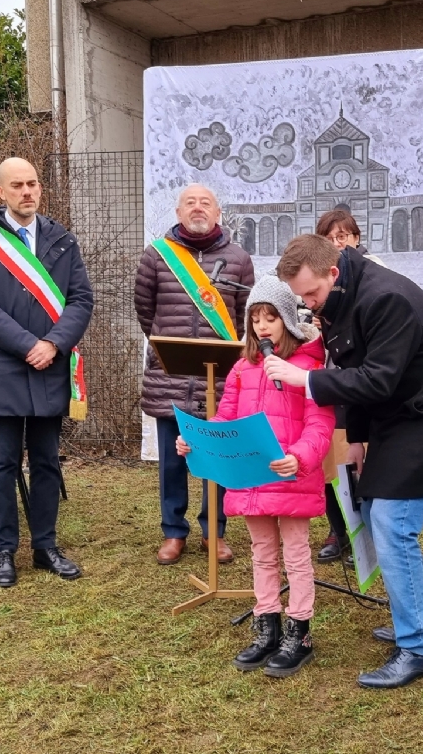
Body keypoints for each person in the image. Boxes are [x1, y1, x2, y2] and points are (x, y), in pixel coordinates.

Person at [264, 234, 423, 689]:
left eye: (311, 294)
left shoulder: (385, 298)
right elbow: (353, 363)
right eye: (300, 298)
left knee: (394, 523)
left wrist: (307, 379)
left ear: (332, 273)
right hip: (399, 411)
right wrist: (356, 438)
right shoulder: (339, 298)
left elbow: (376, 379)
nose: (308, 306)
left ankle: (418, 647)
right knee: (381, 515)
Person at [177, 275, 334, 677]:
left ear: (286, 319)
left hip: (290, 476)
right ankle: (267, 627)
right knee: (262, 554)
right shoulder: (242, 369)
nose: (262, 326)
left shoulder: (309, 368)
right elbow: (225, 418)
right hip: (250, 478)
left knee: (296, 557)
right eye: (256, 318)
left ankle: (299, 632)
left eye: (270, 317)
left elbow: (319, 426)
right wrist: (196, 440)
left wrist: (298, 458)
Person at [0, 156, 94, 589]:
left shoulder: (61, 240)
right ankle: (3, 551)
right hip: (2, 365)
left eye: (32, 183)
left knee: (48, 461)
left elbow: (80, 300)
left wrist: (52, 343)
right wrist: (27, 344)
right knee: (1, 462)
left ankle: (45, 546)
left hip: (49, 364)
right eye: (17, 185)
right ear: (1, 192)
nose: (27, 192)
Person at [135, 183, 253, 566]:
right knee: (172, 460)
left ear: (218, 213)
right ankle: (173, 531)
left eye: (206, 202)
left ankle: (213, 533)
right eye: (190, 202)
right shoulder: (157, 256)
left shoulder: (238, 258)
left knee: (214, 458)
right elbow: (145, 311)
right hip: (170, 376)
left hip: (218, 379)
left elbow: (242, 317)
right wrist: (172, 350)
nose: (198, 208)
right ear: (178, 211)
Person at [312, 209, 384, 563]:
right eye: (329, 237)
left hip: (364, 383)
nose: (337, 243)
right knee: (330, 463)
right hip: (329, 380)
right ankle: (337, 530)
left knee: (362, 461)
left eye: (343, 236)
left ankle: (369, 533)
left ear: (357, 239)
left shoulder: (378, 274)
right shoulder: (313, 280)